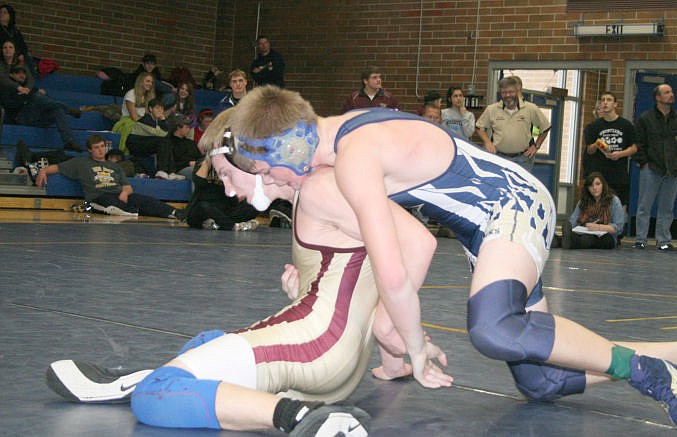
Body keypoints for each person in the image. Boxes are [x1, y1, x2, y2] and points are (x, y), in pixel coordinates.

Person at [225, 86, 677, 434]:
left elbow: (395, 270)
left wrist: (416, 346)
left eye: (271, 175)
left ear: (289, 149)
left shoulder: (355, 157)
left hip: (510, 204)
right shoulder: (345, 134)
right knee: (541, 380)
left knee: (492, 328)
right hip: (487, 228)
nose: (274, 187)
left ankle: (651, 375)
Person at [45, 114, 442, 435]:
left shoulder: (323, 189)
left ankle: (300, 419)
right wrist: (392, 360)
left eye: (228, 175)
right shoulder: (317, 191)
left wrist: (391, 326)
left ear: (257, 164)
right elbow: (369, 268)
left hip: (316, 345)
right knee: (209, 341)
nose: (230, 191)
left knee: (156, 397)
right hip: (333, 354)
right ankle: (173, 375)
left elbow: (416, 243)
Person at [35, 135, 184, 219]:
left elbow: (127, 186)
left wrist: (125, 192)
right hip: (99, 196)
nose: (100, 150)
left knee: (145, 200)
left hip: (118, 194)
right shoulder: (80, 162)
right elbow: (58, 167)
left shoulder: (115, 166)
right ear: (90, 150)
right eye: (96, 148)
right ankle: (93, 206)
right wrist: (43, 172)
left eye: (102, 146)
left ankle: (175, 213)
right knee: (118, 207)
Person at [632, 84, 677, 252]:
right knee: (644, 206)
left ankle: (663, 240)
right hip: (651, 168)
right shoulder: (646, 119)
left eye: (672, 92)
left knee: (667, 208)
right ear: (658, 97)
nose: (671, 95)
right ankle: (641, 239)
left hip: (673, 170)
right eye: (667, 92)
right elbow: (639, 143)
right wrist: (644, 163)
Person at [475, 76, 551, 172]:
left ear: (517, 91)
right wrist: (488, 142)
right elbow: (479, 127)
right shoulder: (492, 109)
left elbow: (545, 128)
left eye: (510, 92)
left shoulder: (530, 108)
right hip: (498, 157)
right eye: (504, 92)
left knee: (521, 187)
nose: (507, 95)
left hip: (523, 160)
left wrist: (536, 146)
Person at [0, 65, 83, 151]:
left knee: (57, 110)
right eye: (18, 73)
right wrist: (26, 98)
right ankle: (68, 109)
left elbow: (47, 102)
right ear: (11, 75)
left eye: (23, 73)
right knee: (36, 97)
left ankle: (69, 142)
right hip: (20, 117)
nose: (22, 75)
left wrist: (31, 95)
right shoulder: (7, 88)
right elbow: (8, 105)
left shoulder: (30, 88)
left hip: (37, 117)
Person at [582, 91, 638, 209]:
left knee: (617, 206)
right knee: (597, 206)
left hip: (618, 174)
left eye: (609, 100)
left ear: (615, 104)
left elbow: (634, 147)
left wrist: (621, 154)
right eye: (603, 100)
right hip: (600, 173)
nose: (605, 103)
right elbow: (589, 150)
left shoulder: (625, 125)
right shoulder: (595, 126)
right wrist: (597, 144)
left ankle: (616, 227)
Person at [560, 172, 624, 250]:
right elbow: (574, 220)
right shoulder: (583, 201)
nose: (594, 188)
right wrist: (570, 226)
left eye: (597, 184)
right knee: (580, 236)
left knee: (591, 239)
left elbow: (618, 228)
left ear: (603, 185)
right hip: (584, 232)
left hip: (606, 236)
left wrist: (598, 227)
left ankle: (561, 241)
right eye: (591, 185)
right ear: (587, 188)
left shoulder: (613, 201)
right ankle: (563, 240)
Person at [125, 98, 181, 179]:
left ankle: (171, 172)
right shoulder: (145, 120)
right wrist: (163, 119)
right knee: (162, 140)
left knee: (167, 142)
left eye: (162, 108)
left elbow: (165, 134)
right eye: (157, 108)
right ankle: (161, 170)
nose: (160, 111)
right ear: (150, 109)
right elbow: (163, 134)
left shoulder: (155, 121)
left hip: (145, 142)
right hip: (135, 145)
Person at [166, 113, 203, 181]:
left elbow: (200, 157)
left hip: (195, 167)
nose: (189, 129)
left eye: (189, 127)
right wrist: (188, 163)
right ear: (178, 128)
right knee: (193, 172)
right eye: (186, 127)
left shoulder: (191, 143)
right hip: (179, 170)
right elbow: (171, 163)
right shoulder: (169, 142)